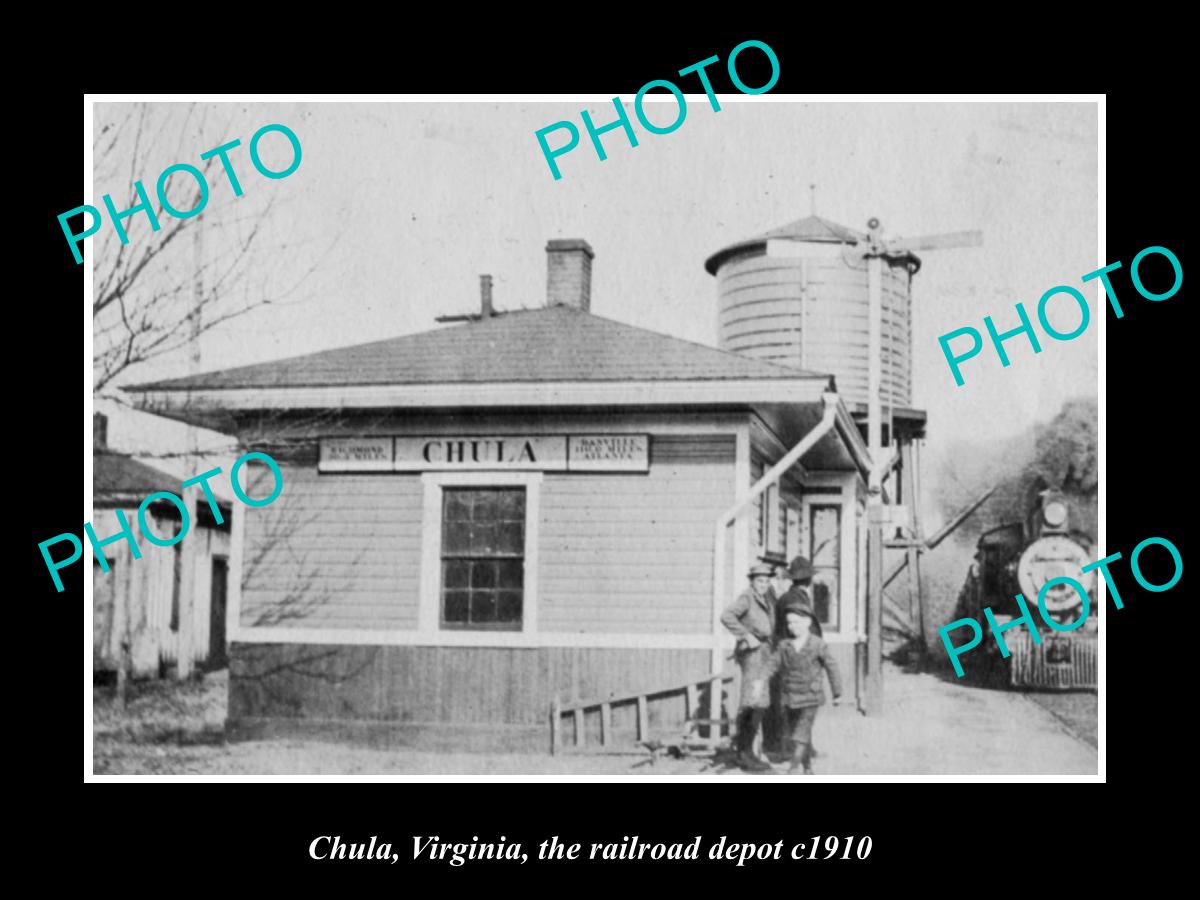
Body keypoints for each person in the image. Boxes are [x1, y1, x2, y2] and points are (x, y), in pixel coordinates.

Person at [763, 595, 844, 774]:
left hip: (810, 696)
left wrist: (837, 692)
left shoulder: (817, 644)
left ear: (808, 622)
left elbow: (832, 667)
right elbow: (772, 663)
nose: (793, 627)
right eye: (789, 623)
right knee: (797, 733)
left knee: (801, 731)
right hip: (790, 696)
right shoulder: (784, 645)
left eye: (797, 622)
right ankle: (807, 767)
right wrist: (760, 680)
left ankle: (793, 769)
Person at [720, 562, 778, 772]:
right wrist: (746, 635)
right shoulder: (747, 597)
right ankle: (744, 754)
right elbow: (726, 616)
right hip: (753, 655)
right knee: (753, 701)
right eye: (760, 580)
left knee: (760, 701)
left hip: (764, 653)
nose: (764, 584)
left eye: (766, 580)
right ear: (752, 581)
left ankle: (748, 751)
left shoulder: (766, 598)